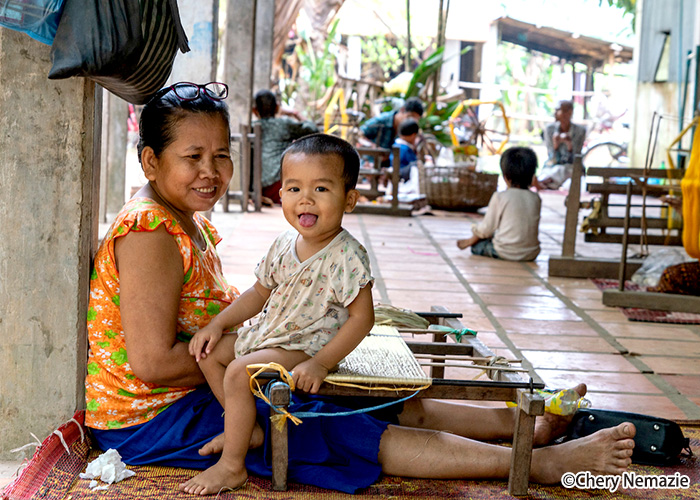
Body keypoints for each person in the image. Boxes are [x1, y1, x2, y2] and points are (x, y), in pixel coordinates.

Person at [84, 82, 636, 497]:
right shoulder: (150, 232)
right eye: (192, 158)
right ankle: (535, 463)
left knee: (359, 387)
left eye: (221, 154)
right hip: (153, 416)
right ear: (152, 161)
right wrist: (259, 361)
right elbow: (154, 363)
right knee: (334, 420)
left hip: (204, 383)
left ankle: (524, 428)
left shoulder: (187, 219)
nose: (212, 171)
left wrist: (278, 349)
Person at [180, 134, 375, 494]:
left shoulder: (346, 255)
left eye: (320, 189)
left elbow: (363, 319)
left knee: (239, 371)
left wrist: (320, 362)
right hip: (271, 332)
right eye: (294, 187)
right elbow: (258, 292)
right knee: (209, 354)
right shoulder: (284, 244)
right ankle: (249, 429)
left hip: (308, 344)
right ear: (280, 194)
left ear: (348, 200)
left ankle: (231, 466)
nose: (305, 199)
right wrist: (218, 324)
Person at [457, 147, 541, 261]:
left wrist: (475, 232)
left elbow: (486, 229)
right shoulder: (536, 198)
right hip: (531, 253)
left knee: (477, 247)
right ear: (532, 177)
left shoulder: (500, 197)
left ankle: (471, 240)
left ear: (506, 177)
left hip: (505, 252)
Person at [253, 89, 318, 205]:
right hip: (280, 184)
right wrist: (295, 114)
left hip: (255, 186)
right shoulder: (284, 124)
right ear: (277, 108)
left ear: (254, 110)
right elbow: (313, 130)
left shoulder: (252, 127)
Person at [535, 100, 586, 190]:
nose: (556, 113)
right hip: (552, 167)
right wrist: (555, 145)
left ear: (569, 112)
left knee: (563, 170)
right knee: (554, 170)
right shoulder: (550, 129)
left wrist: (569, 145)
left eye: (559, 110)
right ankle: (548, 182)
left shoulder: (580, 131)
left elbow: (575, 158)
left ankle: (547, 182)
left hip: (571, 167)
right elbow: (552, 158)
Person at [359, 97, 424, 168]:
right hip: (369, 164)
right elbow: (359, 134)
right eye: (409, 117)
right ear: (402, 110)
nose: (410, 122)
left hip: (388, 169)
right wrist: (373, 147)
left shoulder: (409, 130)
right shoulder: (382, 120)